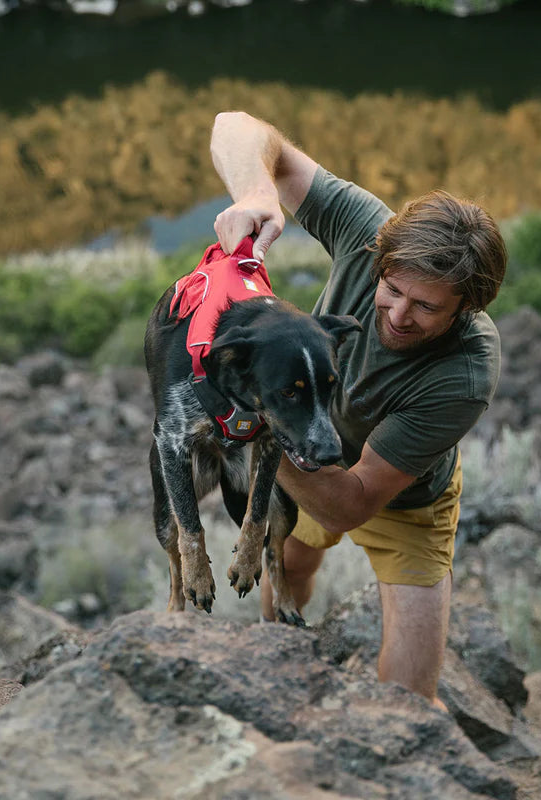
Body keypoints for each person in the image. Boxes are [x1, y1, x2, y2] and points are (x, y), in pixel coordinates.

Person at [209, 111, 506, 711]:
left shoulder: (465, 371)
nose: (398, 316)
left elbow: (351, 503)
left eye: (425, 307)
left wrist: (261, 422)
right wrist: (259, 191)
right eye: (392, 290)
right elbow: (234, 125)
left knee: (407, 700)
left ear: (465, 309)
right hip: (315, 451)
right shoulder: (368, 231)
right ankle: (281, 693)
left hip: (402, 498)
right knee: (287, 572)